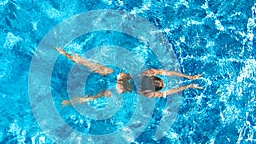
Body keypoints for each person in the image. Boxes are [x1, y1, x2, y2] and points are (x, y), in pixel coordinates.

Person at [54, 47, 203, 106]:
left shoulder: (146, 74)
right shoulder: (149, 93)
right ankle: (69, 102)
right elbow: (169, 92)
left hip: (116, 75)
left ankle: (64, 53)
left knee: (88, 64)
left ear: (154, 79)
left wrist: (188, 77)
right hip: (116, 89)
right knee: (94, 97)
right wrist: (187, 86)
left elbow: (168, 73)